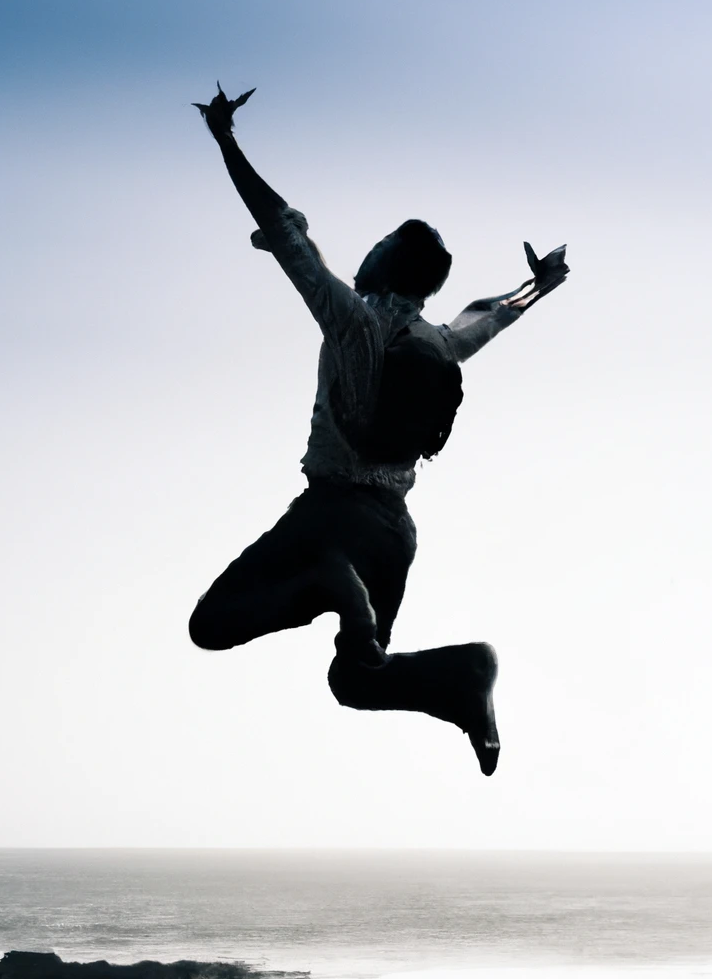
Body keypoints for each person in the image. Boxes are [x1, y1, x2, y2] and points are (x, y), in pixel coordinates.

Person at [188, 84, 569, 776]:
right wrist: (539, 284)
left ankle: (326, 580)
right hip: (394, 532)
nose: (367, 249)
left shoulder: (353, 318)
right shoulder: (441, 341)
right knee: (357, 681)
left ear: (385, 264)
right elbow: (493, 313)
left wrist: (225, 140)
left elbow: (282, 228)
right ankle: (468, 673)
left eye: (379, 243)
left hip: (332, 513)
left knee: (210, 626)